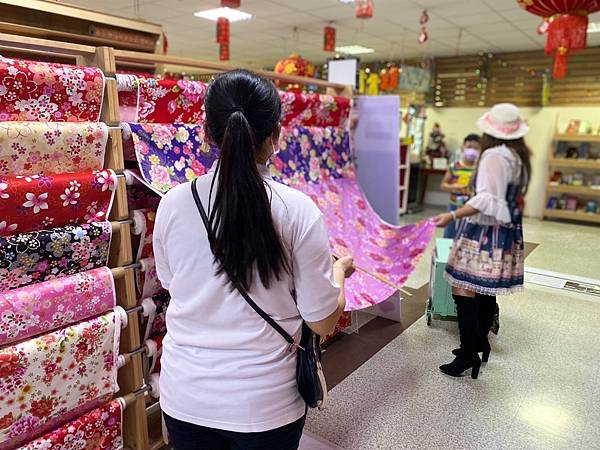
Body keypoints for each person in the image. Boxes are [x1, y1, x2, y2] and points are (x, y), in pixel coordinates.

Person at [153, 69, 354, 450]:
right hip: (264, 404)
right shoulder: (298, 211)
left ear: (208, 133)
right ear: (276, 135)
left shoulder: (172, 204)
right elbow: (323, 320)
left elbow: (171, 284)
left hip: (184, 394)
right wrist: (339, 273)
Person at [433, 103, 531, 380]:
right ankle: (479, 344)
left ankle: (467, 354)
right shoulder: (517, 156)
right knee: (485, 289)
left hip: (484, 231)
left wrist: (452, 214)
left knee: (463, 288)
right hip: (506, 230)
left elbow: (487, 200)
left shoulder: (493, 156)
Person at [440, 134, 481, 239]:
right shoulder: (454, 166)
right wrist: (454, 187)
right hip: (454, 205)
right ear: (462, 147)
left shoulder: (479, 169)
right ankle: (443, 255)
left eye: (476, 148)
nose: (472, 150)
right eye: (469, 147)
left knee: (467, 237)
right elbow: (443, 185)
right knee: (449, 234)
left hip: (471, 209)